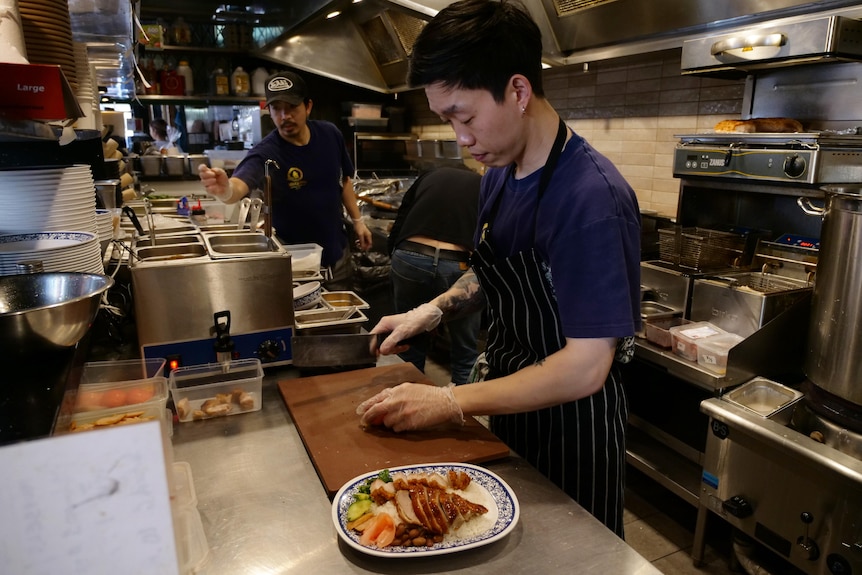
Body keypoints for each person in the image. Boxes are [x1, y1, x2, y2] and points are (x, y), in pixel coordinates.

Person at [355, 0, 641, 538]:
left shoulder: (590, 198)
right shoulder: (499, 172)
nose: (460, 137)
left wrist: (447, 399)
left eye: (463, 116)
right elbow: (495, 270)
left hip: (574, 426)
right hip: (511, 406)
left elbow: (585, 366)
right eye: (448, 121)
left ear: (517, 90)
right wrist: (431, 311)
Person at [198, 71, 373, 289]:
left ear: (307, 106)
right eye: (277, 109)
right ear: (269, 111)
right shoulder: (266, 153)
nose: (284, 116)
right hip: (295, 266)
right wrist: (224, 190)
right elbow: (237, 187)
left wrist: (358, 222)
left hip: (338, 257)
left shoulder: (330, 134)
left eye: (291, 107)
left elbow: (344, 181)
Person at [387, 166, 482, 384]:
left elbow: (402, 215)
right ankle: (462, 410)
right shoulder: (484, 184)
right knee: (465, 349)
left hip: (410, 257)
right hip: (456, 264)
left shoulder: (429, 175)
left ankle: (405, 402)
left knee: (408, 340)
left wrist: (393, 254)